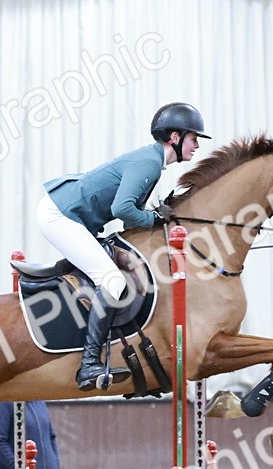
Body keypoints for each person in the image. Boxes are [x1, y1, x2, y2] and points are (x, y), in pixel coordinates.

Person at [38, 102, 209, 391]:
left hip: (71, 215)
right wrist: (155, 217)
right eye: (194, 139)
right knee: (112, 280)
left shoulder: (154, 162)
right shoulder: (149, 162)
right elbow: (123, 208)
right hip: (59, 215)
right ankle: (89, 365)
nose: (197, 146)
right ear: (175, 138)